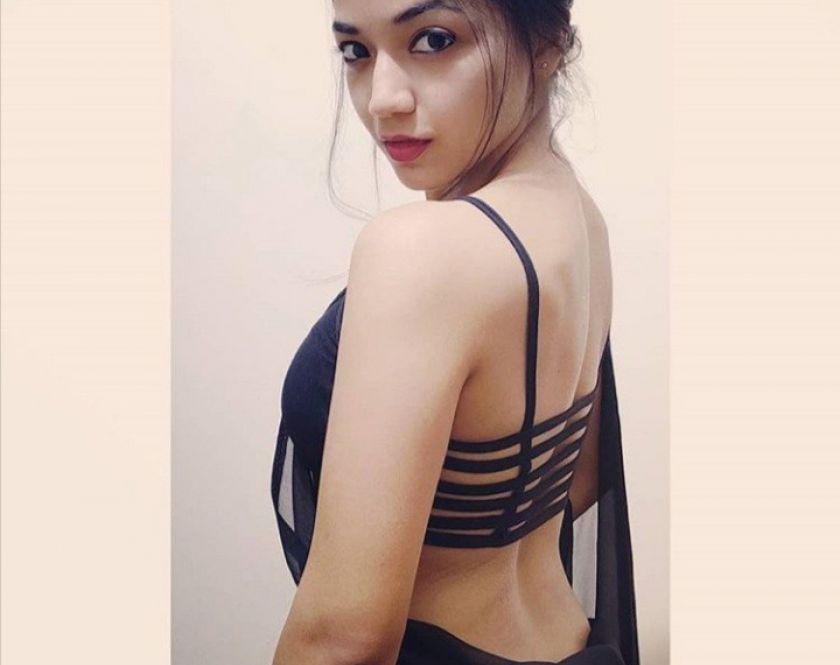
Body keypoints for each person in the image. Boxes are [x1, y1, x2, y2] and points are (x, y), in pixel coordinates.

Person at [270, 1, 640, 663]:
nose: (382, 99)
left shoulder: (422, 251)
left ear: (548, 42)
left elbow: (342, 637)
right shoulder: (581, 220)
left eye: (434, 40)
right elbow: (576, 487)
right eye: (356, 51)